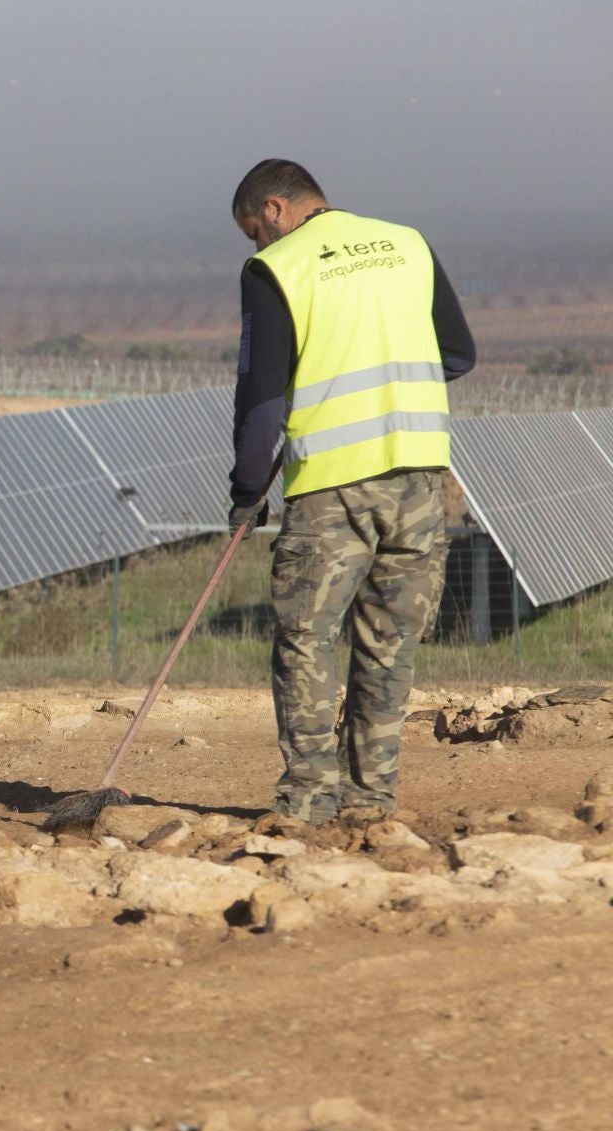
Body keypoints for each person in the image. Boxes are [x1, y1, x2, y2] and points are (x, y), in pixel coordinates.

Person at [228, 159, 475, 822]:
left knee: (306, 635)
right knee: (389, 643)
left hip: (333, 487)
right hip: (423, 479)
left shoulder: (277, 269)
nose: (256, 244)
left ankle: (309, 799)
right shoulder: (406, 244)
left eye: (254, 229)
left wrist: (248, 489)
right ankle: (369, 801)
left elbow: (262, 397)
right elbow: (457, 355)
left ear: (275, 209)